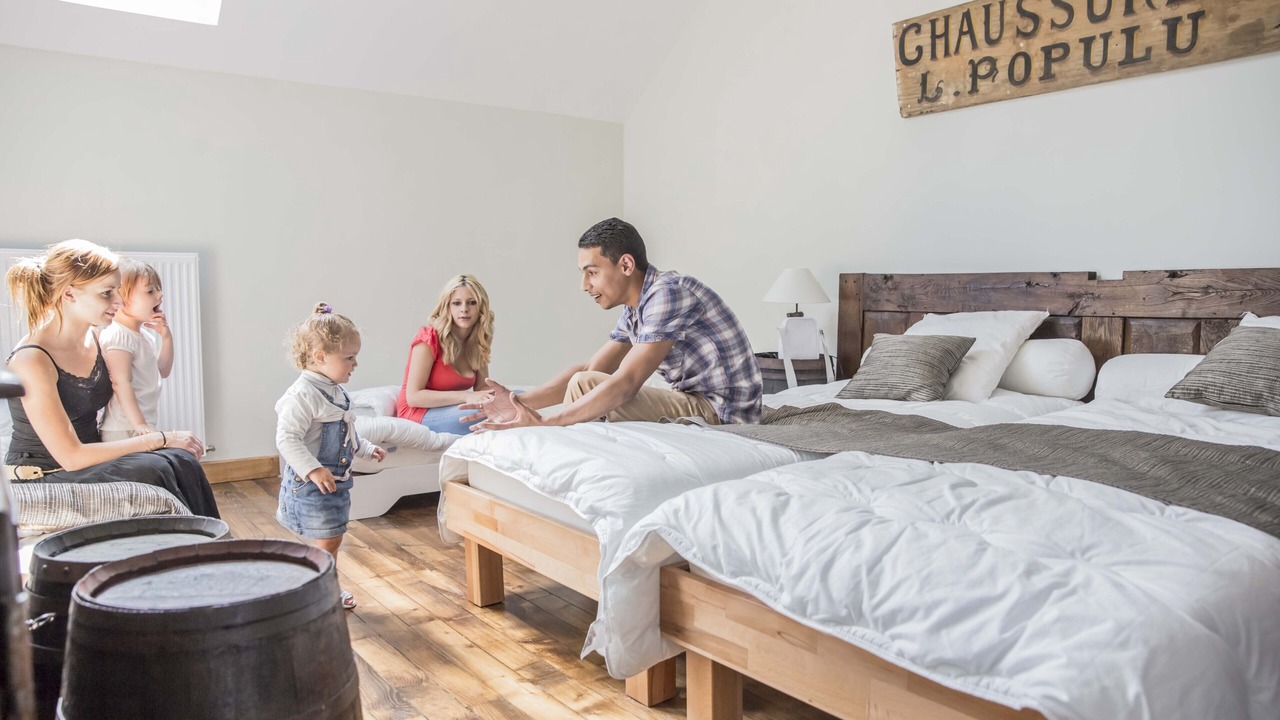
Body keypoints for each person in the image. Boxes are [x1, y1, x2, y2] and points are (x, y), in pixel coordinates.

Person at [463, 217, 762, 431]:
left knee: (585, 387)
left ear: (626, 265)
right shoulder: (636, 308)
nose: (584, 285)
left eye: (591, 272)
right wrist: (520, 401)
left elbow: (627, 383)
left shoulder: (667, 293)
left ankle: (558, 448)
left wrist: (548, 422)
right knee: (585, 380)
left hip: (723, 412)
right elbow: (589, 369)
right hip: (692, 399)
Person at [4, 240, 218, 517]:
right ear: (69, 294)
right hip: (47, 474)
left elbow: (146, 371)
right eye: (107, 293)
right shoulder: (33, 360)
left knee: (181, 460)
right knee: (156, 468)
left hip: (89, 460)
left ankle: (212, 547)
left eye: (118, 290)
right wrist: (160, 438)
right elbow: (71, 457)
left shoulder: (96, 338)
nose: (118, 301)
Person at [275, 303, 385, 610]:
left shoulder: (336, 390)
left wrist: (364, 448)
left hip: (336, 483)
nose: (355, 364)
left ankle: (313, 585)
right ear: (320, 356)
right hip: (313, 485)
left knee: (330, 538)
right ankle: (321, 590)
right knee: (327, 541)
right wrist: (312, 469)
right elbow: (287, 438)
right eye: (349, 357)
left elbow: (346, 430)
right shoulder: (303, 395)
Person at [394, 274, 495, 435]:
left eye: (472, 303)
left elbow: (481, 387)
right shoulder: (429, 338)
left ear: (480, 307)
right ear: (447, 307)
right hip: (418, 412)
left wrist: (501, 396)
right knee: (494, 413)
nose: (464, 309)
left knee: (520, 399)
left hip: (451, 409)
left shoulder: (478, 339)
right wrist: (466, 396)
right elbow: (414, 397)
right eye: (456, 303)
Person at [99, 259, 173, 441]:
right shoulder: (119, 336)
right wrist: (140, 424)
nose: (160, 295)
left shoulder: (142, 336)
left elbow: (162, 371)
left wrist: (167, 338)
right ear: (121, 298)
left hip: (140, 423)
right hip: (123, 428)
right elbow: (121, 382)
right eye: (150, 291)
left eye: (158, 289)